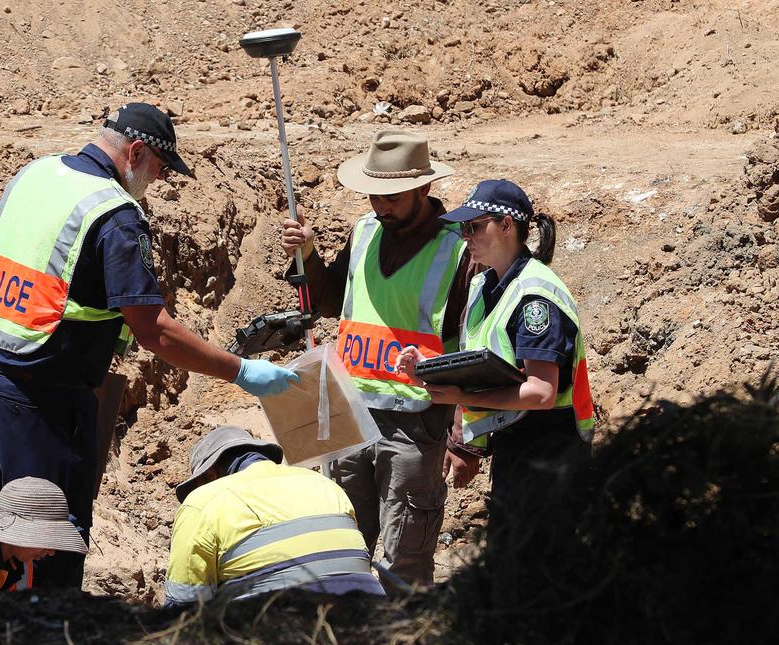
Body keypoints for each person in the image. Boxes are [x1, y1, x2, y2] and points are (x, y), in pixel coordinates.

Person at [0, 102, 299, 589]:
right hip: (41, 404)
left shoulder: (34, 175)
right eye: (158, 170)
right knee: (47, 545)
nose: (156, 183)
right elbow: (154, 330)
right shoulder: (114, 213)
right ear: (136, 153)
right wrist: (240, 370)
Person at [278, 129, 479, 586]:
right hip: (349, 411)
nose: (380, 206)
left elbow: (473, 345)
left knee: (404, 557)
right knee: (342, 543)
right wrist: (307, 254)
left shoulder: (459, 249)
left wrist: (465, 438)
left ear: (424, 189)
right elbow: (328, 302)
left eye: (393, 197)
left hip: (414, 424)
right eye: (375, 196)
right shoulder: (365, 232)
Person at [397, 179, 594, 516]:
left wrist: (464, 397)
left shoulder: (535, 297)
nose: (465, 237)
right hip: (515, 446)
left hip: (552, 453)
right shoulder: (485, 284)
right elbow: (485, 360)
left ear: (506, 225)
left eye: (474, 227)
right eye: (463, 228)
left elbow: (541, 393)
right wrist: (428, 367)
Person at [164, 426, 385, 606]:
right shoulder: (325, 485)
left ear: (212, 473)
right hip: (368, 621)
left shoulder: (203, 501)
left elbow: (183, 606)